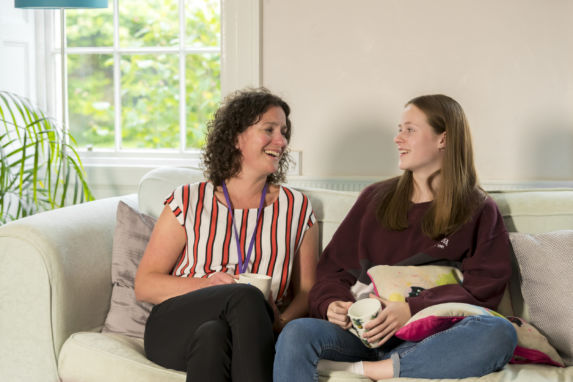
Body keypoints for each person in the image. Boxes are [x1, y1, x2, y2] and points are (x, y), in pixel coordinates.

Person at [274, 94, 517, 381]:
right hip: (359, 335)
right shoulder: (374, 199)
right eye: (399, 129)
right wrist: (332, 305)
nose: (397, 139)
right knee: (297, 332)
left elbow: (483, 292)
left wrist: (411, 310)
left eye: (410, 130)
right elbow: (332, 271)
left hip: (429, 339)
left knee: (500, 333)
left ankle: (377, 370)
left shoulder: (477, 208)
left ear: (443, 139)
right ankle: (388, 364)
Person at [135, 88, 318, 382]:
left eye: (284, 132)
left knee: (214, 335)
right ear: (236, 138)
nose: (282, 141)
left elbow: (308, 292)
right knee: (244, 296)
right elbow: (145, 285)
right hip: (174, 328)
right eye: (269, 130)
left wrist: (279, 321)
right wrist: (208, 284)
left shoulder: (296, 207)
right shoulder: (188, 200)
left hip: (244, 334)